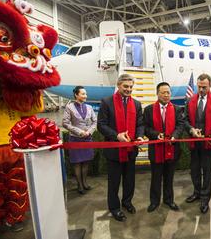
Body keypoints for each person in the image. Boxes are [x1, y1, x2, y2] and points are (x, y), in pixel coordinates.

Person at [97, 74, 145, 222]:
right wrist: (116, 135)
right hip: (114, 151)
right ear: (118, 85)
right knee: (114, 182)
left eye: (131, 87)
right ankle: (115, 208)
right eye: (125, 86)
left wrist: (139, 136)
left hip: (130, 151)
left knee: (129, 180)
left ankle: (127, 202)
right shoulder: (107, 102)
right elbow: (101, 125)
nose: (128, 89)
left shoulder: (136, 104)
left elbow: (140, 124)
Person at [183, 73, 211, 214]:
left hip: (208, 144)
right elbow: (186, 120)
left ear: (210, 86)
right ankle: (197, 192)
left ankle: (205, 198)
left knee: (207, 172)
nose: (201, 90)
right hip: (194, 143)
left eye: (204, 87)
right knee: (194, 170)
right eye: (199, 87)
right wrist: (191, 129)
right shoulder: (190, 100)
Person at [144, 82, 183, 213]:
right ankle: (154, 201)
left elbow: (180, 125)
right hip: (156, 150)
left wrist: (174, 136)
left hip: (172, 149)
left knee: (169, 177)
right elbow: (145, 128)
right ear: (157, 93)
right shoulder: (149, 109)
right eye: (163, 92)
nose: (166, 95)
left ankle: (169, 200)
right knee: (156, 177)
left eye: (168, 92)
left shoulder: (177, 109)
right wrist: (156, 135)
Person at [63, 86, 97, 195]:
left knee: (86, 162)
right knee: (77, 163)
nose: (85, 96)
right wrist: (79, 132)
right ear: (76, 95)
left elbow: (95, 122)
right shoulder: (69, 107)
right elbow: (65, 123)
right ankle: (79, 185)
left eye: (85, 94)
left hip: (87, 138)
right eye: (83, 94)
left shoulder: (90, 107)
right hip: (75, 138)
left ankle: (85, 182)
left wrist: (89, 132)